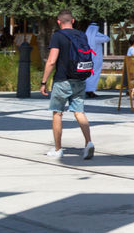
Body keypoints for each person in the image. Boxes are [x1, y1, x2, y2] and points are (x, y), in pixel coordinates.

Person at [39, 9, 94, 159]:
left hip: (62, 80)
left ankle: (57, 149)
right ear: (73, 21)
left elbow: (51, 61)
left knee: (57, 112)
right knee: (79, 112)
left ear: (58, 22)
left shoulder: (58, 36)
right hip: (80, 79)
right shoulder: (81, 35)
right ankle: (88, 142)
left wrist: (43, 81)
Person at [84, 23, 110, 99]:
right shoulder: (96, 38)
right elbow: (107, 38)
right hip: (95, 60)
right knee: (94, 75)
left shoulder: (85, 37)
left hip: (87, 59)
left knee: (87, 75)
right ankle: (90, 91)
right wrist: (98, 33)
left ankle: (87, 90)